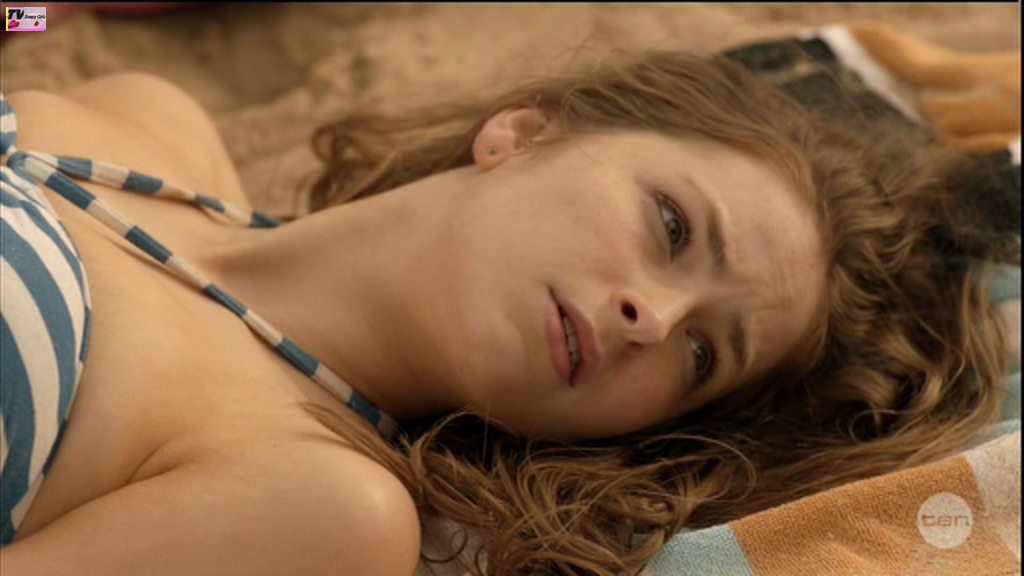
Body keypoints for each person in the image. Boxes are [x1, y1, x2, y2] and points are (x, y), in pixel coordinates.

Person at [0, 28, 1018, 576]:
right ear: (525, 133)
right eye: (672, 227)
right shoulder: (150, 120)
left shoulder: (321, 504)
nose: (655, 320)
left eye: (703, 356)